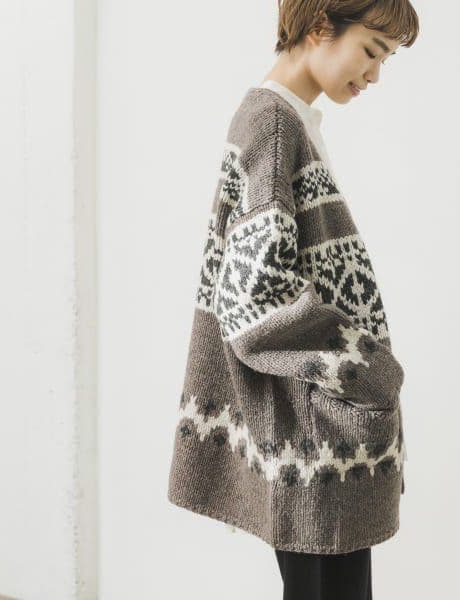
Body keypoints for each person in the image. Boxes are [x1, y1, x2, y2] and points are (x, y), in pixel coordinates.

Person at [167, 1, 419, 598]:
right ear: (320, 26)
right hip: (313, 438)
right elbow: (255, 302)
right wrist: (368, 369)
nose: (374, 75)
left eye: (384, 59)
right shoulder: (275, 128)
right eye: (371, 51)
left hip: (317, 436)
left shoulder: (285, 122)